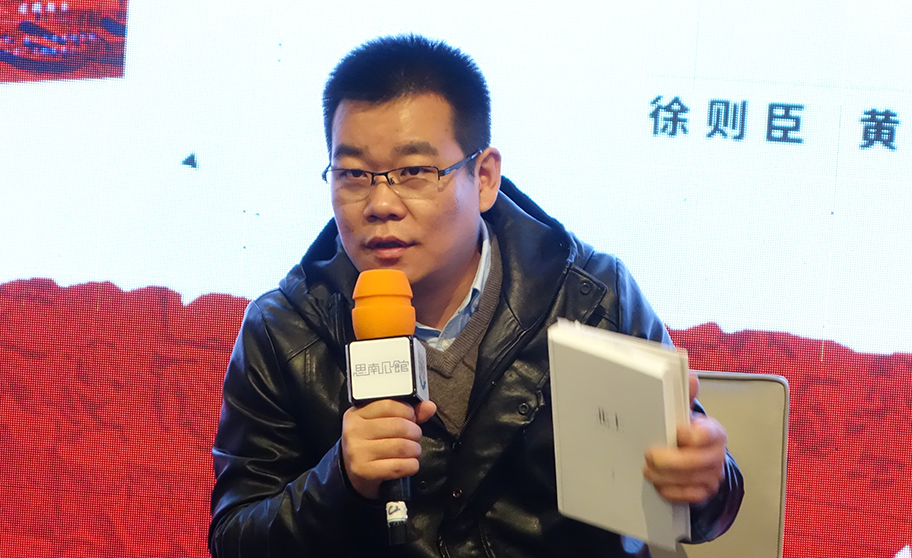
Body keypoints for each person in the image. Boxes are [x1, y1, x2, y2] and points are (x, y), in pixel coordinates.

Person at [208, 34, 743, 558]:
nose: (380, 204)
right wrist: (340, 480)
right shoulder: (282, 330)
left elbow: (701, 510)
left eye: (413, 172)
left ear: (484, 177)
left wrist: (705, 480)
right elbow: (235, 537)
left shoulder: (591, 298)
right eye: (352, 174)